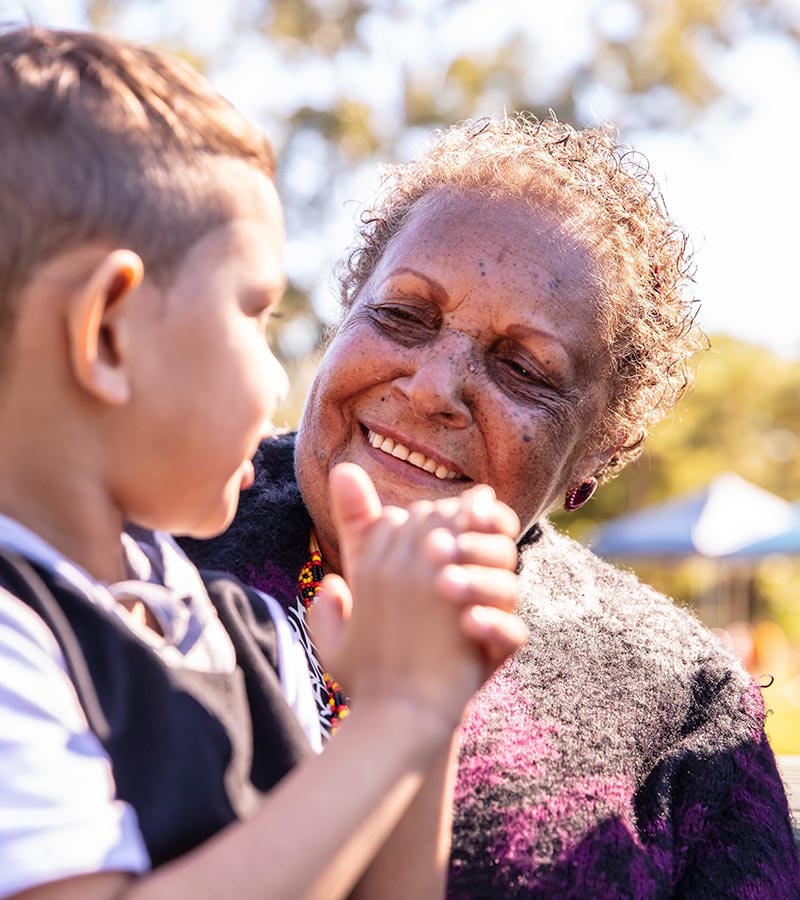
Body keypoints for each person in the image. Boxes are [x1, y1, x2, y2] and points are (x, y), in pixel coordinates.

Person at [181, 114, 800, 897]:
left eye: (523, 368)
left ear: (591, 462)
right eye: (403, 315)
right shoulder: (143, 530)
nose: (433, 387)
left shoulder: (682, 701)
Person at [0, 27, 529, 900]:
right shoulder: (18, 633)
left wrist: (423, 703)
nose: (281, 378)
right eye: (255, 317)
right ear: (106, 332)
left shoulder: (240, 631)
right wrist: (393, 716)